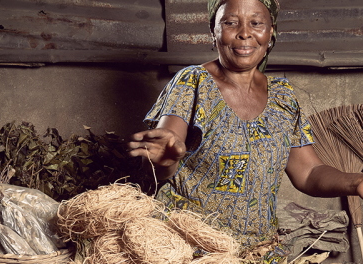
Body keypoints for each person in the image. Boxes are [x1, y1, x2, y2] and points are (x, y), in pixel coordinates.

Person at [128, 0, 363, 262]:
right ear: (213, 32)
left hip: (257, 251)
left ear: (271, 32)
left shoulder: (282, 97)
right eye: (230, 23)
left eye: (256, 23)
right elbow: (167, 145)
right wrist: (166, 161)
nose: (244, 33)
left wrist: (356, 182)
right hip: (189, 245)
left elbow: (308, 173)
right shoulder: (192, 82)